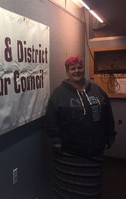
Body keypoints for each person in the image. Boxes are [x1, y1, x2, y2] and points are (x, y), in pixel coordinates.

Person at [43, 55, 116, 199]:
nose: (77, 71)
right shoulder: (59, 94)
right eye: (73, 68)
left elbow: (107, 114)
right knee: (67, 192)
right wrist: (56, 139)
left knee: (91, 191)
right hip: (69, 155)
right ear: (67, 72)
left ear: (84, 68)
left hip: (94, 154)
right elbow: (50, 119)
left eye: (80, 67)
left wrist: (110, 135)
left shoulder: (96, 89)